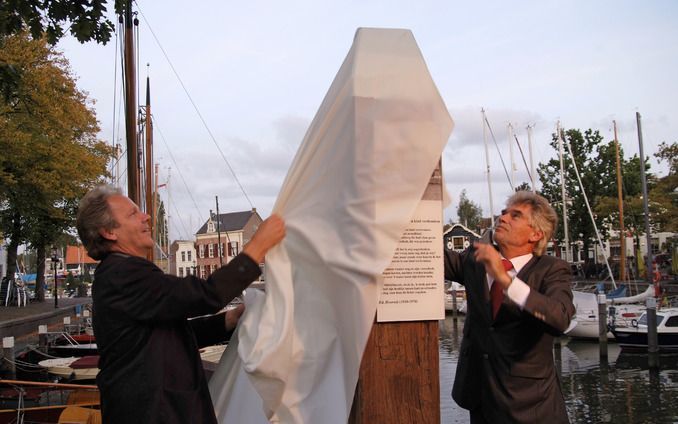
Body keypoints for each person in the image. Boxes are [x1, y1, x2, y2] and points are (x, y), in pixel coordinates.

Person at [75, 185, 285, 423]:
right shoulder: (123, 274)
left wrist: (229, 319)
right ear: (109, 232)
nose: (146, 217)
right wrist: (257, 248)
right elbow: (205, 295)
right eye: (133, 214)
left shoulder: (120, 274)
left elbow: (165, 336)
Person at [444, 191, 575, 424]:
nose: (502, 218)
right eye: (504, 212)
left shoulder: (552, 270)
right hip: (480, 399)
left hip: (530, 407)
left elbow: (560, 317)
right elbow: (434, 257)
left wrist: (504, 279)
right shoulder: (475, 259)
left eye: (515, 216)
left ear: (536, 234)